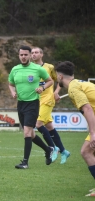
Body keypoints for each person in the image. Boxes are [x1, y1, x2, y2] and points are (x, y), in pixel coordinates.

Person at [8, 45, 54, 169]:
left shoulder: (37, 69)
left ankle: (25, 162)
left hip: (33, 103)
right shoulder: (15, 69)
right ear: (19, 56)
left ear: (30, 55)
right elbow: (11, 84)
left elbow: (50, 81)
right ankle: (48, 149)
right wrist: (12, 92)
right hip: (20, 103)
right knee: (31, 134)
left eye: (25, 55)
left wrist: (42, 87)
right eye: (21, 55)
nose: (23, 57)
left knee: (27, 132)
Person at [55, 61, 95, 196]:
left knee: (86, 152)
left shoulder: (73, 89)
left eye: (56, 76)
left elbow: (87, 108)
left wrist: (93, 132)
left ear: (60, 77)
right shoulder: (79, 83)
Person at [31, 47, 70, 164]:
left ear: (41, 54)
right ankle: (63, 151)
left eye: (36, 52)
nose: (33, 54)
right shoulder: (30, 68)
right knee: (49, 127)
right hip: (37, 100)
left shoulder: (49, 67)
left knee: (38, 124)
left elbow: (59, 80)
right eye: (32, 53)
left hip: (48, 99)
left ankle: (53, 148)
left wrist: (56, 92)